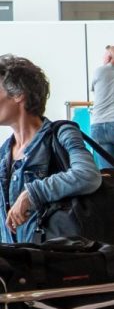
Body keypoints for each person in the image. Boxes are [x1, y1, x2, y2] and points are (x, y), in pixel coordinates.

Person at [0, 54, 100, 244]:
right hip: (15, 264)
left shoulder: (62, 133)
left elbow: (87, 175)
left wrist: (32, 193)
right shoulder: (4, 152)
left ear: (18, 94)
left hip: (53, 262)